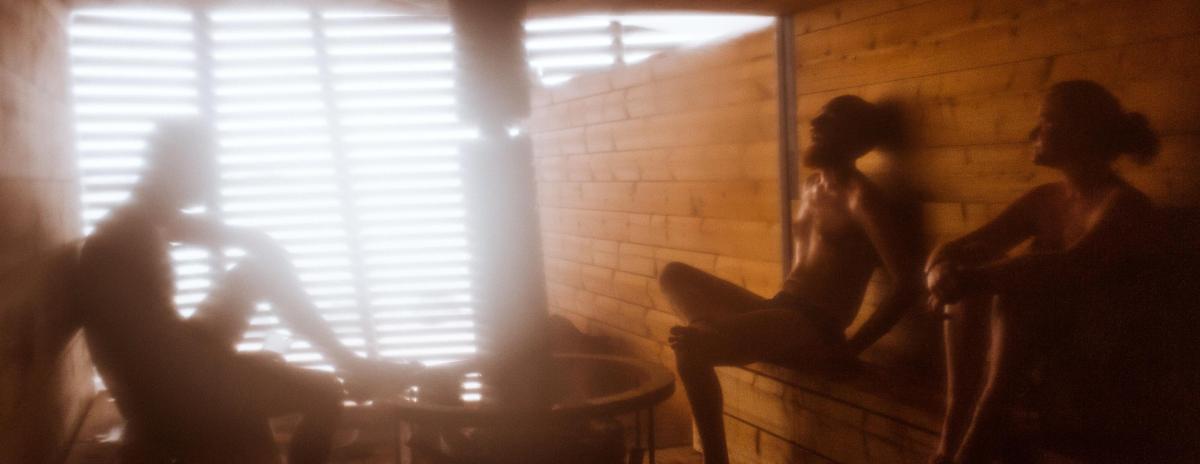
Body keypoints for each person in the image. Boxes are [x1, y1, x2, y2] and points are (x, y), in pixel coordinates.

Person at [76, 121, 415, 463]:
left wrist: (254, 238)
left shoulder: (142, 217)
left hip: (174, 364)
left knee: (260, 267)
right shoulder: (131, 235)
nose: (213, 180)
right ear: (179, 166)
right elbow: (165, 372)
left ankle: (351, 363)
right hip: (170, 395)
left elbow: (189, 228)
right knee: (324, 392)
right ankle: (352, 366)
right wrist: (247, 369)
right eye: (207, 168)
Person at [660, 95, 923, 464]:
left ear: (855, 137)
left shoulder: (862, 198)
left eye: (828, 120)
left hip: (817, 327)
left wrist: (852, 348)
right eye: (817, 117)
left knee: (689, 352)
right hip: (781, 310)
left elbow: (909, 283)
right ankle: (706, 327)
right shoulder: (813, 186)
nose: (814, 124)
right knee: (673, 274)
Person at [925, 80, 1165, 463]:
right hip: (1031, 361)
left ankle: (985, 421)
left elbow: (1071, 267)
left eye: (1046, 121)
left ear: (1082, 132)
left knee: (1022, 288)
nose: (1032, 133)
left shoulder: (1124, 207)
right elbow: (959, 248)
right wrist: (938, 272)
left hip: (1100, 373)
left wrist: (971, 278)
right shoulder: (1046, 199)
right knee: (974, 261)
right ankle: (958, 419)